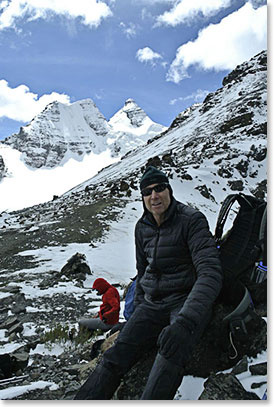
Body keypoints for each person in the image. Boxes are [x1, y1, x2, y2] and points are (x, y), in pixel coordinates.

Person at [74, 166, 223, 400]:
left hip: (184, 302)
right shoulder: (142, 227)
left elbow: (210, 272)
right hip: (153, 305)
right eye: (148, 191)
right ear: (142, 197)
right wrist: (142, 306)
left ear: (169, 190)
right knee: (115, 356)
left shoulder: (191, 220)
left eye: (159, 188)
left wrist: (186, 321)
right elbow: (142, 271)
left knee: (169, 354)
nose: (154, 196)